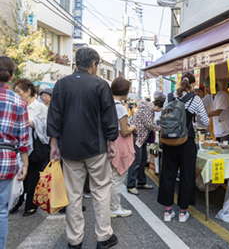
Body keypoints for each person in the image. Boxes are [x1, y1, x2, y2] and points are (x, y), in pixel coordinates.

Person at [47, 48, 119, 249]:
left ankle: (74, 240)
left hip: (69, 149)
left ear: (76, 63)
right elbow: (109, 116)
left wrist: (54, 145)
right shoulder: (100, 85)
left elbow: (54, 116)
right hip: (96, 148)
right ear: (94, 65)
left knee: (72, 194)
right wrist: (111, 142)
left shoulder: (61, 84)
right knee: (101, 190)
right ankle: (103, 237)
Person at [158, 72, 209, 222]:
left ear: (180, 82)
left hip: (169, 142)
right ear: (192, 85)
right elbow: (205, 121)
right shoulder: (195, 98)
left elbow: (163, 116)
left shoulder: (169, 96)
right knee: (187, 175)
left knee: (168, 174)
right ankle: (182, 212)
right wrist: (195, 117)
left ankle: (167, 212)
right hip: (186, 141)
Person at [0, 56, 29, 249]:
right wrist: (25, 163)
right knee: (1, 211)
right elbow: (23, 138)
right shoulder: (18, 101)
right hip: (6, 159)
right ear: (11, 77)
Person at [12, 78, 50, 217]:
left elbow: (46, 126)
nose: (17, 94)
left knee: (33, 176)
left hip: (35, 147)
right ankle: (17, 201)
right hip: (19, 144)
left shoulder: (40, 107)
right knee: (20, 174)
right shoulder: (17, 105)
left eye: (19, 91)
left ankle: (31, 205)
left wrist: (31, 122)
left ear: (28, 91)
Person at [126, 95, 165, 195]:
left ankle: (141, 182)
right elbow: (148, 124)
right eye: (161, 108)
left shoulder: (148, 107)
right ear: (159, 106)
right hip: (138, 137)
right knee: (136, 161)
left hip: (141, 137)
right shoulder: (149, 108)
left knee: (143, 160)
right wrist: (161, 128)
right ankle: (131, 185)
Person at [110, 77, 137, 218]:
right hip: (119, 146)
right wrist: (133, 127)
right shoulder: (120, 107)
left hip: (109, 143)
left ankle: (110, 207)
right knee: (117, 178)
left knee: (110, 178)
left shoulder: (107, 104)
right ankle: (114, 207)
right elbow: (125, 130)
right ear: (124, 91)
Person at [202, 77, 229, 143]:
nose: (206, 89)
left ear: (213, 86)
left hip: (227, 131)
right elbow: (201, 102)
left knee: (225, 151)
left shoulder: (222, 95)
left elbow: (217, 112)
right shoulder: (209, 96)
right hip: (217, 131)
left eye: (207, 87)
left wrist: (203, 115)